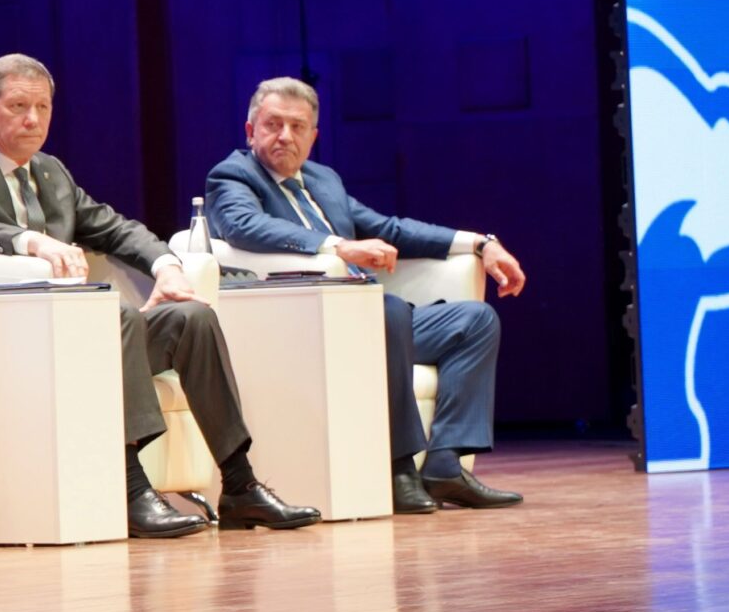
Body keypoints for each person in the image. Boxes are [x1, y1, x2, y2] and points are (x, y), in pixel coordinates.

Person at [0, 54, 320, 537]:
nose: (33, 120)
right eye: (19, 106)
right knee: (120, 315)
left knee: (191, 317)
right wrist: (32, 242)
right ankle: (131, 490)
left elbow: (115, 228)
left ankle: (239, 485)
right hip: (14, 342)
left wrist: (166, 267)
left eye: (43, 108)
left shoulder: (51, 172)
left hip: (80, 339)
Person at [204, 77, 525, 513]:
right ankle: (398, 467)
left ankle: (445, 465)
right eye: (273, 124)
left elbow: (389, 229)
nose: (285, 136)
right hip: (308, 321)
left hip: (371, 316)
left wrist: (480, 243)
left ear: (314, 136)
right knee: (387, 309)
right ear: (250, 131)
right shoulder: (233, 175)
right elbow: (245, 226)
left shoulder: (323, 180)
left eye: (298, 127)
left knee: (474, 321)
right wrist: (337, 247)